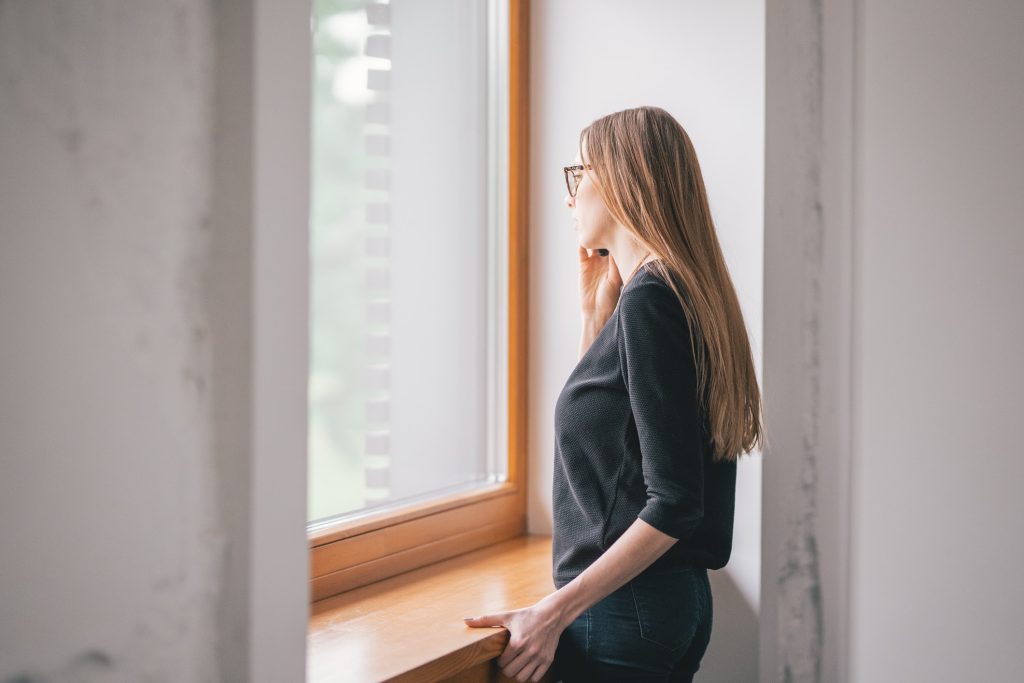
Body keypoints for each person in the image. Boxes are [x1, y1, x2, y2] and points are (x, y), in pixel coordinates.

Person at [464, 105, 764, 682]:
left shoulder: (654, 300)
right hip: (663, 604)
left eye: (580, 173)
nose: (570, 195)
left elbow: (674, 501)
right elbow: (607, 443)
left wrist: (552, 613)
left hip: (625, 609)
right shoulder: (672, 293)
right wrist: (593, 316)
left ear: (624, 180)